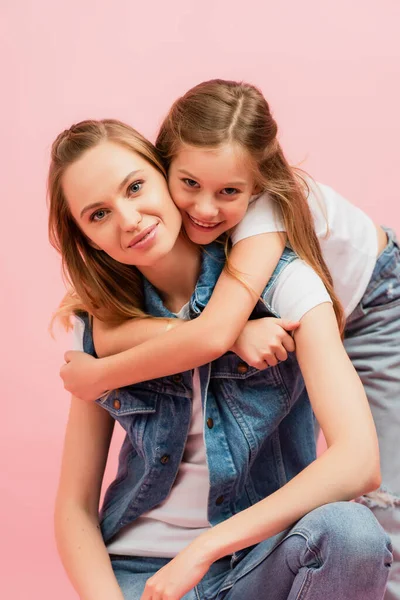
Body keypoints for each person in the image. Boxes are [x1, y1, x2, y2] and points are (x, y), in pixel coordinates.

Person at [60, 80, 400, 600]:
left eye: (134, 188)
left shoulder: (273, 255)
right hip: (139, 573)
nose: (129, 220)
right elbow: (74, 507)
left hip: (379, 305)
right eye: (98, 214)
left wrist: (202, 551)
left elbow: (214, 331)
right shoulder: (104, 319)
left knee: (370, 527)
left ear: (156, 169)